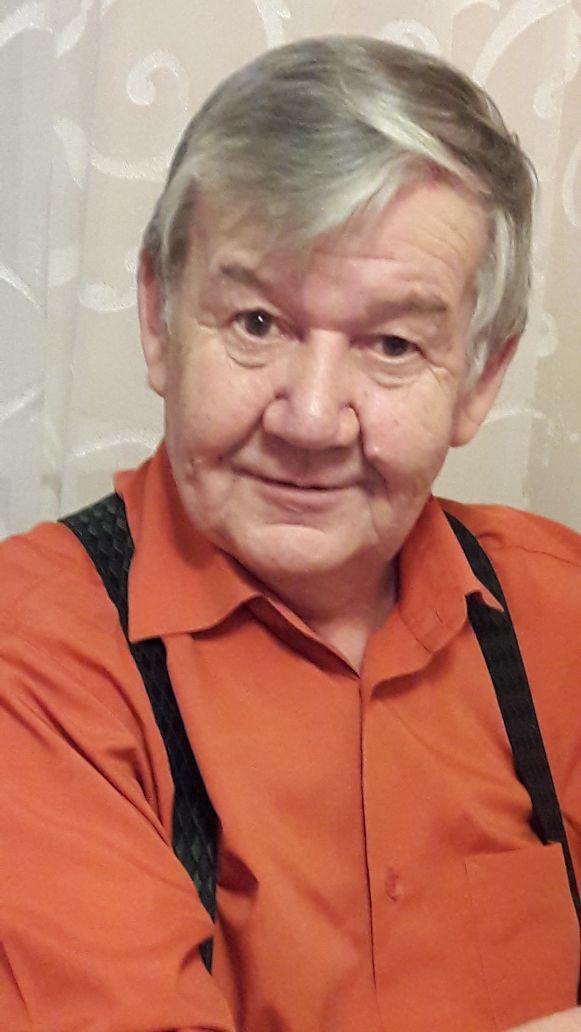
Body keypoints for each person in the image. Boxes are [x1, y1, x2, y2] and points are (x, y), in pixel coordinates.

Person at [0, 34, 579, 1032]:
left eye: (391, 343)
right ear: (158, 315)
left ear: (479, 381)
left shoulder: (557, 602)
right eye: (257, 323)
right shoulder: (37, 651)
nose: (310, 420)